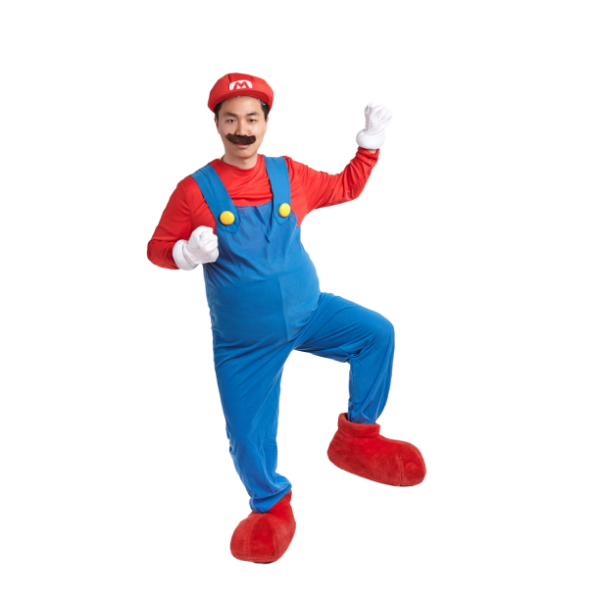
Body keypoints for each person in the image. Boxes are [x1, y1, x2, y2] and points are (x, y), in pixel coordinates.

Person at [146, 72, 427, 565]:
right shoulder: (193, 190)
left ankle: (357, 440)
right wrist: (185, 253)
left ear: (265, 122)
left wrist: (370, 141)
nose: (241, 129)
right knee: (246, 433)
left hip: (309, 312)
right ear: (217, 124)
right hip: (244, 342)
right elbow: (156, 249)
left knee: (378, 333)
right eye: (231, 119)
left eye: (251, 119)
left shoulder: (288, 173)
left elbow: (345, 187)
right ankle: (271, 505)